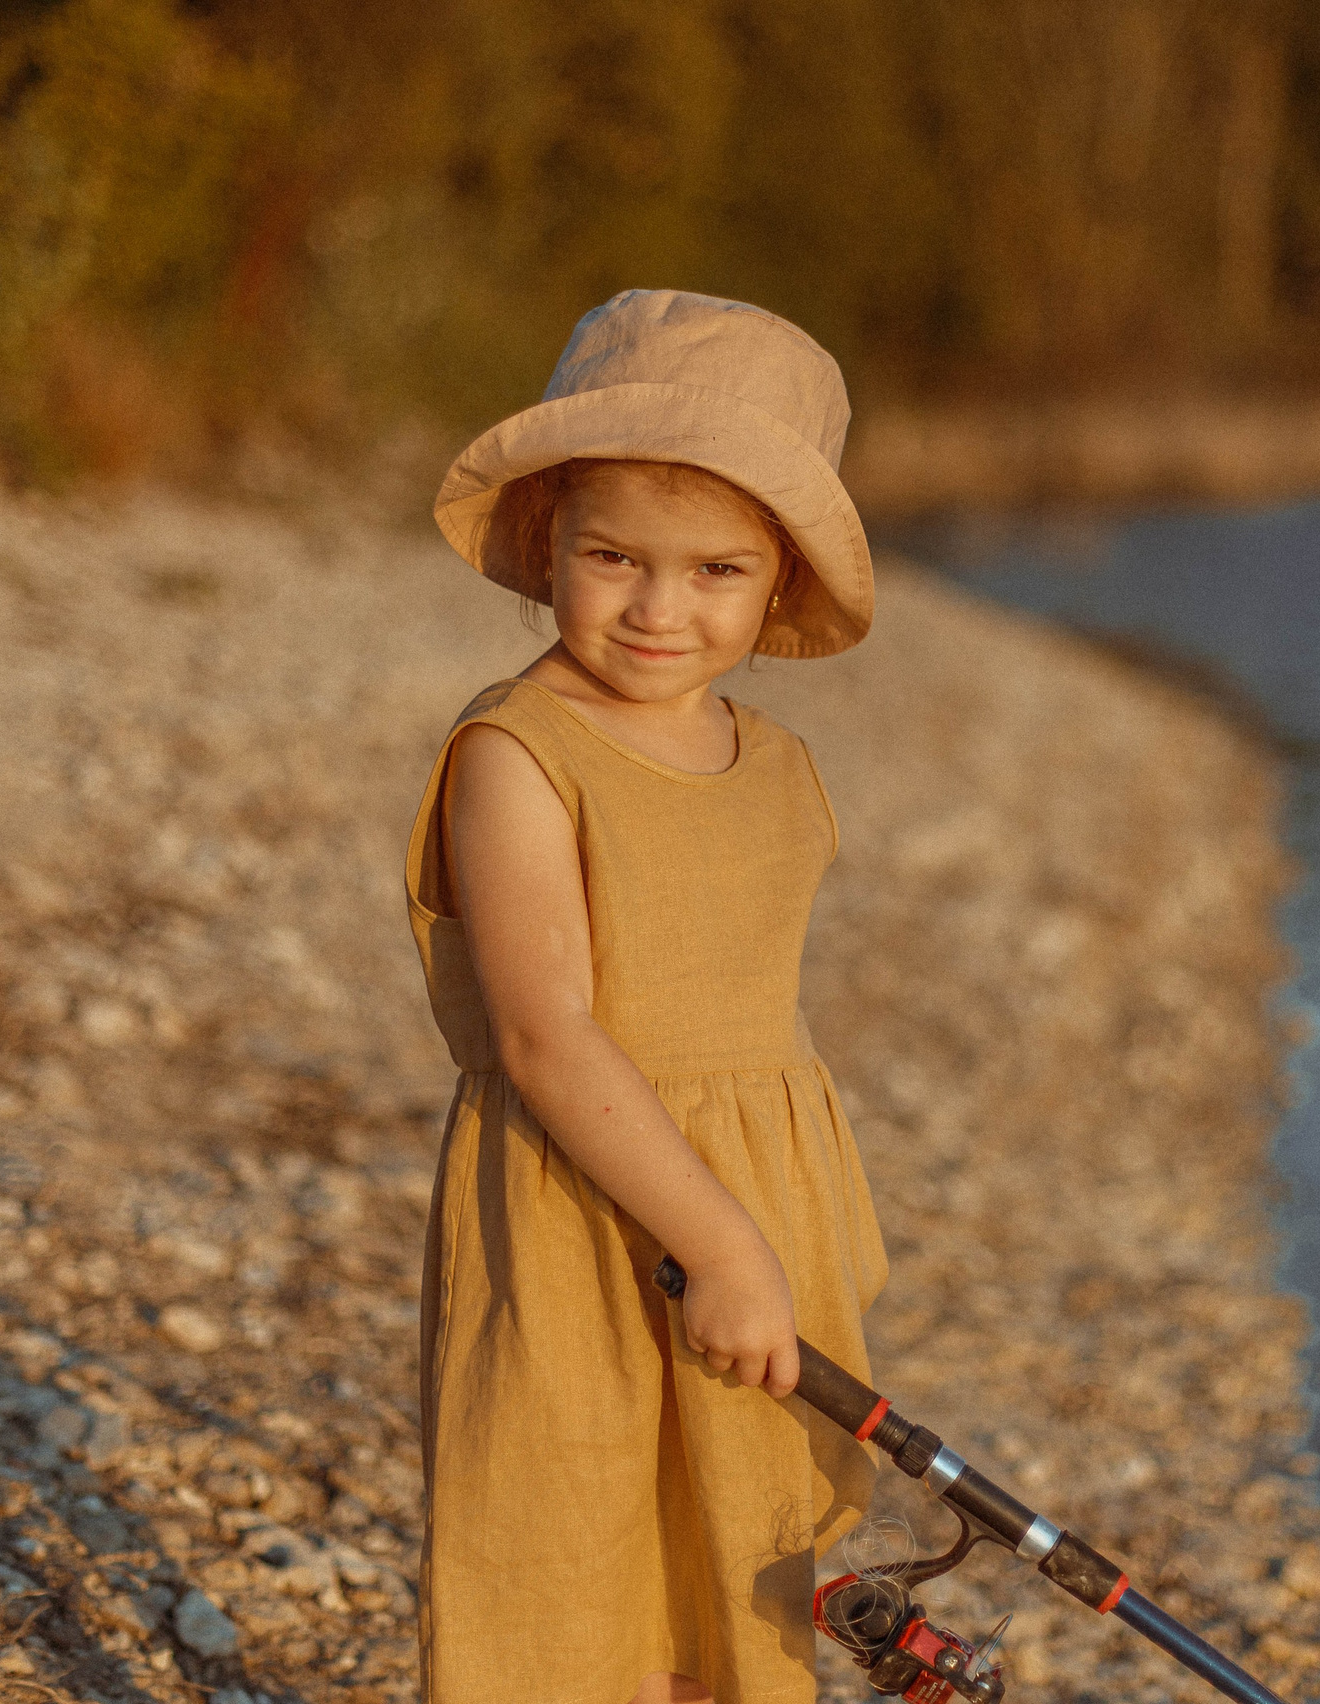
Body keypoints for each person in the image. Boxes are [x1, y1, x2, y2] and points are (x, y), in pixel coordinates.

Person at [403, 290, 888, 1704]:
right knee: (570, 1562)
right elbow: (544, 1035)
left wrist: (788, 1236)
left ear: (779, 579)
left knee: (736, 1570)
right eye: (614, 556)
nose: (660, 609)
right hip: (580, 1217)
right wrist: (718, 1242)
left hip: (761, 1211)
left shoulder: (779, 764)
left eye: (716, 570)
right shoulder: (518, 751)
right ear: (548, 537)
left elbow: (759, 1021)